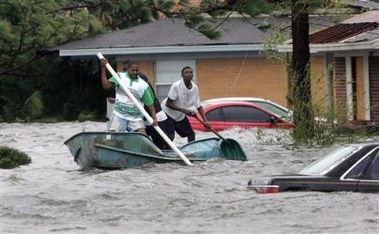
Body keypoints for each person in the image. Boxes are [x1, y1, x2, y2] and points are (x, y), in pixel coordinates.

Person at [122, 60, 171, 150]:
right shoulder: (128, 80)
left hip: (154, 114)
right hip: (144, 117)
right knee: (141, 139)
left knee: (162, 145)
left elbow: (144, 98)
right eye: (123, 70)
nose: (124, 73)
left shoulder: (139, 78)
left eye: (126, 70)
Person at [100, 58, 158, 134]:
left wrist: (154, 118)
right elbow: (106, 86)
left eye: (137, 70)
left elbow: (150, 104)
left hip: (135, 117)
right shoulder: (119, 77)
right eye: (132, 70)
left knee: (142, 135)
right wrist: (103, 68)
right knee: (115, 138)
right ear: (128, 69)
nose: (135, 72)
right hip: (119, 114)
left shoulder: (143, 85)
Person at [161, 66, 210, 142]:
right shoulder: (176, 86)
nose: (189, 74)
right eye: (186, 72)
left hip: (179, 115)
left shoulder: (195, 88)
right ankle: (166, 152)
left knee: (191, 134)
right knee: (171, 135)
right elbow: (168, 103)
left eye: (191, 72)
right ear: (182, 75)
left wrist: (205, 121)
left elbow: (199, 106)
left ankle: (190, 152)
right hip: (167, 113)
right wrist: (183, 110)